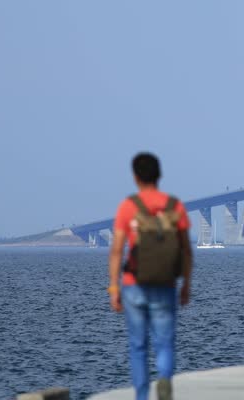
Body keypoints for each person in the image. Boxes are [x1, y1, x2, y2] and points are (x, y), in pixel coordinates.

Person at [108, 152, 193, 400]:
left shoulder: (128, 207)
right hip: (166, 285)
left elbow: (116, 251)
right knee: (164, 343)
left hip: (134, 286)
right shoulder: (174, 206)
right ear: (160, 175)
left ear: (135, 177)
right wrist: (186, 284)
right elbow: (186, 250)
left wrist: (114, 288)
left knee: (138, 346)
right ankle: (164, 381)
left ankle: (142, 397)